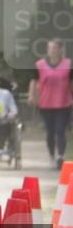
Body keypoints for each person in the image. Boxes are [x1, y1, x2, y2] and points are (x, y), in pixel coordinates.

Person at [28, 39, 73, 169]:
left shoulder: (68, 64)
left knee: (60, 130)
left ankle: (60, 156)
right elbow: (34, 80)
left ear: (60, 50)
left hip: (64, 103)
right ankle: (51, 157)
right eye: (49, 48)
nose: (51, 51)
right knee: (50, 131)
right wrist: (32, 95)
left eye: (54, 48)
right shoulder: (40, 64)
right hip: (46, 103)